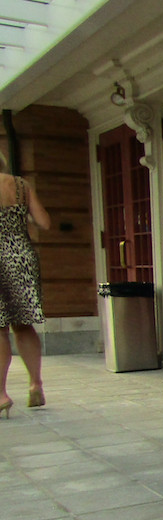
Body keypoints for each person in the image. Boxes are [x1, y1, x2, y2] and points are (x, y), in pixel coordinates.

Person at [0, 152, 52, 417]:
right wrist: (23, 218)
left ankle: (1, 394)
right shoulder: (21, 186)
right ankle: (35, 384)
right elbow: (44, 222)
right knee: (23, 324)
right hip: (21, 257)